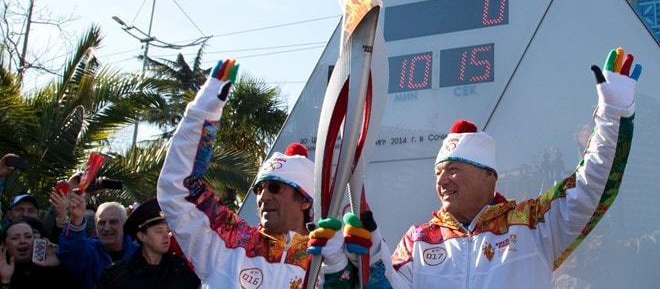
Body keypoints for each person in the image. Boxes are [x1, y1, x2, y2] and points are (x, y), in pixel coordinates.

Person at [388, 47, 642, 288]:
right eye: (438, 173)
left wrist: (613, 115)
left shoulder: (534, 225)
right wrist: (356, 258)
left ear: (488, 174)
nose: (443, 181)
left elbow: (591, 187)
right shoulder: (418, 241)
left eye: (453, 169)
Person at [157, 59, 359, 287]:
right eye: (259, 188)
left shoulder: (324, 261)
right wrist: (203, 111)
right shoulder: (229, 241)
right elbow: (179, 189)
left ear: (304, 201)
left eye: (275, 187)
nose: (263, 197)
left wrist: (337, 265)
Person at [96, 198, 200, 289]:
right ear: (142, 236)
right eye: (159, 231)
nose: (166, 235)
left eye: (167, 230)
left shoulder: (183, 270)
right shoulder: (118, 277)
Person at [56, 196, 139, 289]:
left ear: (124, 225)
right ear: (95, 226)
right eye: (101, 223)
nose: (107, 228)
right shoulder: (89, 250)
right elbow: (71, 255)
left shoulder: (139, 253)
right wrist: (76, 220)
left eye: (113, 222)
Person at [0, 220, 81, 289]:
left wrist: (60, 262)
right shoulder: (2, 272)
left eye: (28, 236)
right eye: (15, 238)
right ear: (3, 245)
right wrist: (5, 281)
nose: (22, 241)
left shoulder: (50, 268)